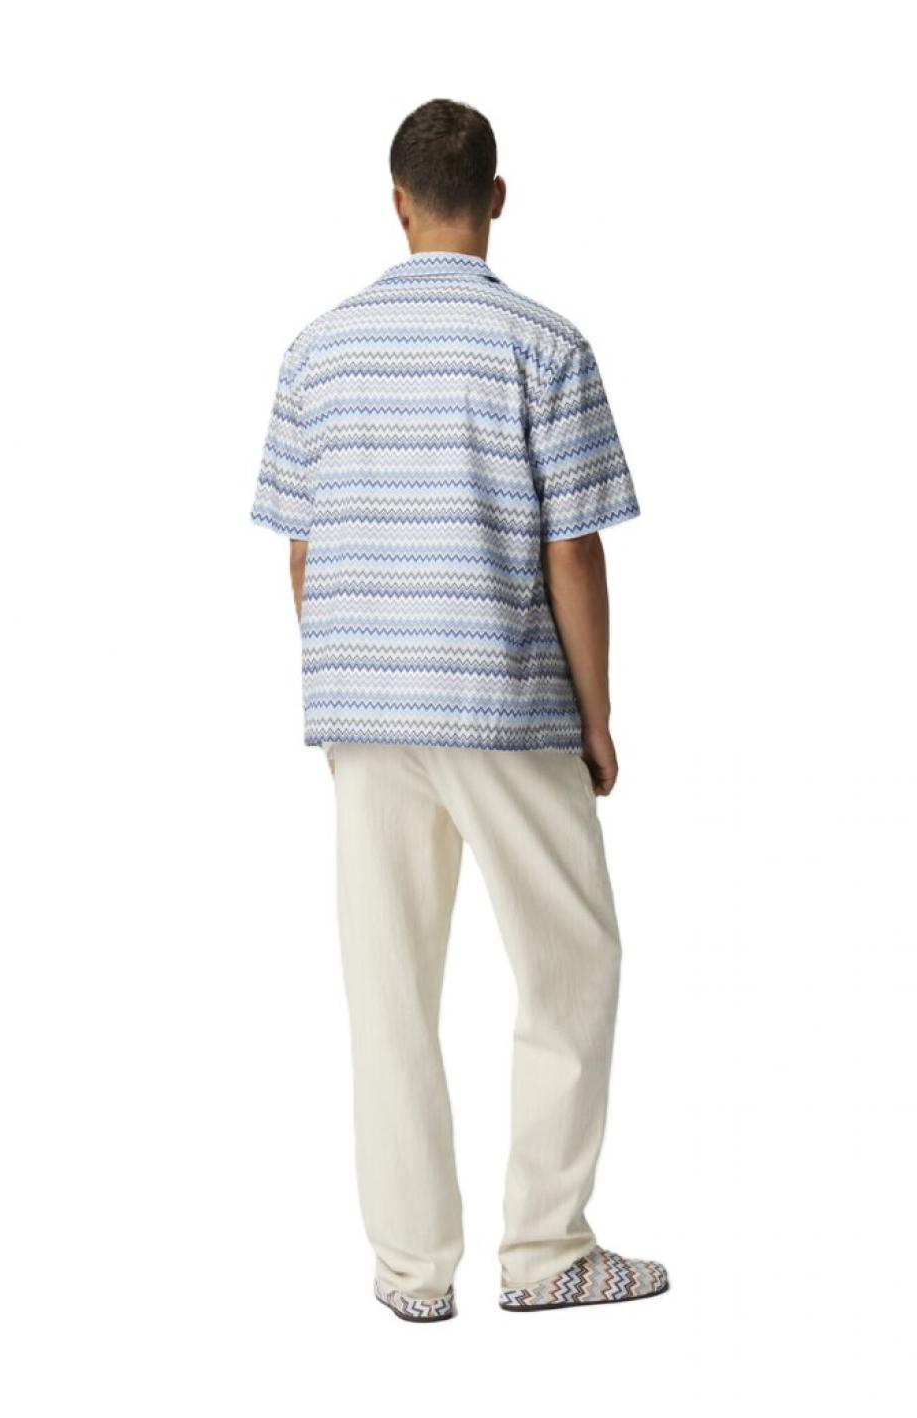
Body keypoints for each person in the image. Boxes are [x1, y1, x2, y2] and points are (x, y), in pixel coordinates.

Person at [251, 98, 668, 1322]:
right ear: (497, 196)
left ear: (396, 202)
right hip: (504, 699)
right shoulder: (544, 344)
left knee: (388, 985)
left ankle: (411, 1269)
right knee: (572, 962)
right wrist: (598, 715)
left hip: (365, 710)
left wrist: (349, 680)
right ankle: (545, 1252)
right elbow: (574, 549)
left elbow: (302, 552)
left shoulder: (316, 351)